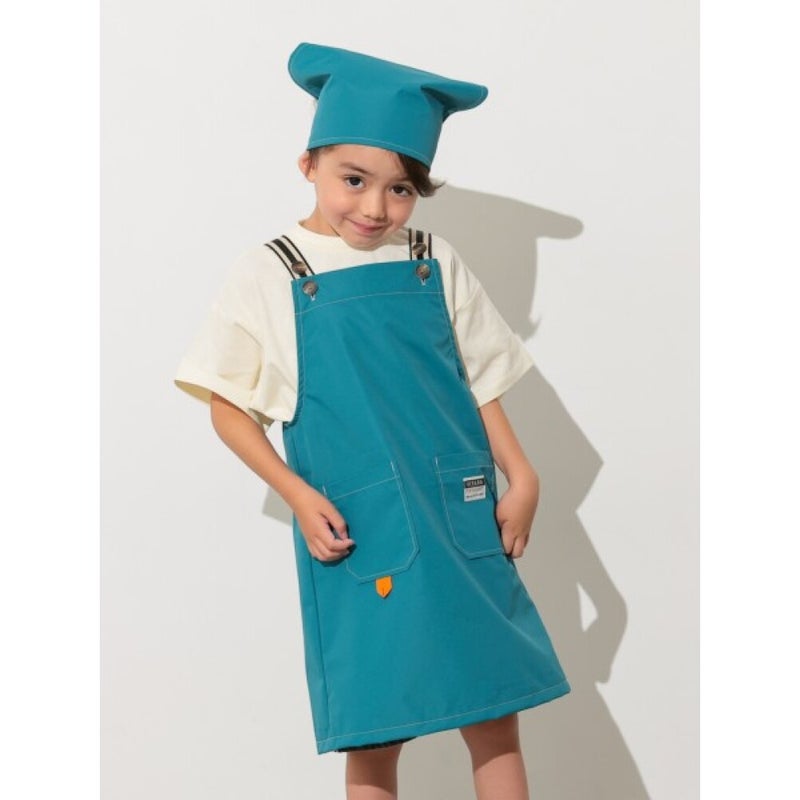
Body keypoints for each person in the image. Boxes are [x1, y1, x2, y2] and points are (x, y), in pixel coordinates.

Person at [175, 42, 569, 800]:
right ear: (309, 165)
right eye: (353, 180)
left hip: (460, 513)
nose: (375, 209)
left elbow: (480, 378)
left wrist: (523, 476)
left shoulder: (431, 258)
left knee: (495, 712)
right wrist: (297, 495)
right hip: (359, 523)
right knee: (376, 730)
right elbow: (229, 407)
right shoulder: (272, 272)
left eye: (400, 190)